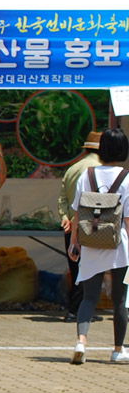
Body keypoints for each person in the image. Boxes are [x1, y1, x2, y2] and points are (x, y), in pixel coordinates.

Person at [68, 128, 129, 366]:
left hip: (91, 241)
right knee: (119, 299)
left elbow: (76, 213)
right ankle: (117, 350)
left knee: (89, 297)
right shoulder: (126, 178)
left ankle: (81, 342)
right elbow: (127, 220)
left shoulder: (87, 174)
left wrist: (75, 242)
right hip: (118, 245)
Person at [59, 132, 104, 321]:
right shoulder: (100, 170)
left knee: (76, 268)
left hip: (71, 226)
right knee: (89, 270)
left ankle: (74, 309)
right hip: (91, 226)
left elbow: (63, 198)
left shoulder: (72, 169)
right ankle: (78, 311)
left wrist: (65, 217)